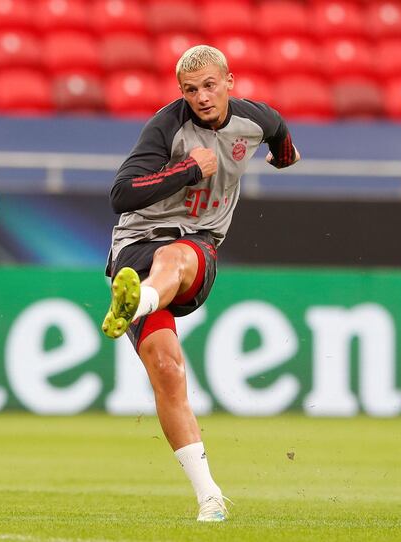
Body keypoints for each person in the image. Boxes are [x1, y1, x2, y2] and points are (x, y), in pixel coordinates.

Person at [101, 45, 301, 522]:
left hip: (196, 245)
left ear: (230, 81)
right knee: (167, 371)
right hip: (134, 248)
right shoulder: (167, 125)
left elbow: (282, 142)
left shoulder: (256, 119)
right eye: (190, 90)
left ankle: (142, 300)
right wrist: (188, 169)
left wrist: (281, 157)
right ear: (181, 93)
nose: (202, 97)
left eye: (210, 86)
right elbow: (121, 195)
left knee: (175, 256)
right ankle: (210, 496)